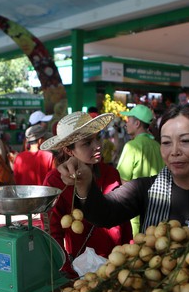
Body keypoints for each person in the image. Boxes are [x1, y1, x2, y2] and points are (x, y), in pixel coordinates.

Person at [56, 105, 189, 232]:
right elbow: (104, 214)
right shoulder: (143, 190)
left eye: (186, 141)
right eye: (166, 142)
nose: (174, 151)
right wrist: (84, 183)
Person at [40, 112, 133, 278]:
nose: (97, 145)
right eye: (87, 142)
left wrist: (128, 255)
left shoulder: (111, 173)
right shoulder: (55, 182)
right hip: (80, 269)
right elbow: (52, 233)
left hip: (116, 264)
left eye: (98, 138)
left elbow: (124, 220)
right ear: (69, 150)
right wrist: (67, 271)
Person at [117, 104, 164, 235]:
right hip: (158, 209)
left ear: (137, 123)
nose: (126, 124)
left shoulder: (132, 146)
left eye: (128, 121)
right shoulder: (158, 146)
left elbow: (122, 179)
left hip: (136, 212)